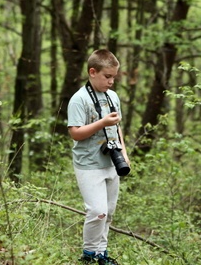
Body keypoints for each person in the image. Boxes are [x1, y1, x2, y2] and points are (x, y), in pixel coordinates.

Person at [67, 49, 131, 265]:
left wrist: (123, 152)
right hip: (89, 164)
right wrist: (102, 123)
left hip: (111, 161)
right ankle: (89, 255)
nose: (111, 82)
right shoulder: (79, 99)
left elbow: (117, 127)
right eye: (107, 76)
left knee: (109, 212)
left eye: (114, 77)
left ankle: (101, 254)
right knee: (97, 211)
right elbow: (75, 132)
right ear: (92, 72)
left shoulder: (112, 97)